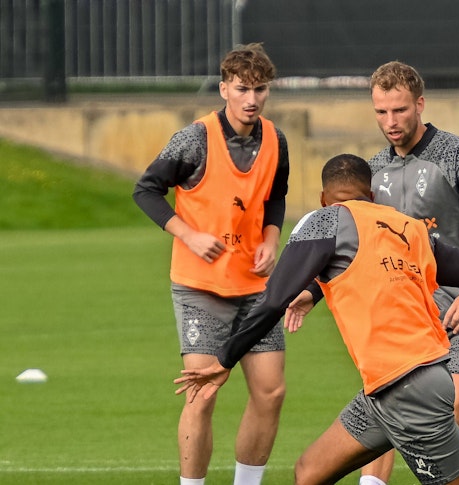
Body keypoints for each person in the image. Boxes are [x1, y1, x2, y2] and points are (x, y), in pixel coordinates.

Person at [173, 154, 459, 485]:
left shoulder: (323, 220)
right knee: (309, 472)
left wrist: (224, 360)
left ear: (325, 199)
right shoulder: (408, 227)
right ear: (372, 195)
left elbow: (271, 302)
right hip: (394, 387)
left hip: (409, 389)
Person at [132, 43, 290, 485]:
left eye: (260, 89)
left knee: (271, 393)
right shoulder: (195, 138)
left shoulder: (277, 139)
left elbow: (275, 196)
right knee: (201, 395)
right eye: (242, 88)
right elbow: (146, 190)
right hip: (200, 288)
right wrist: (188, 234)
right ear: (224, 89)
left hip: (256, 288)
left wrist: (272, 240)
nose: (251, 98)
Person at [361, 61, 459, 484]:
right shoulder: (374, 169)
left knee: (450, 401)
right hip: (407, 309)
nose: (390, 122)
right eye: (381, 112)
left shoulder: (456, 154)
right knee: (388, 401)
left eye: (400, 110)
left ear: (420, 104)